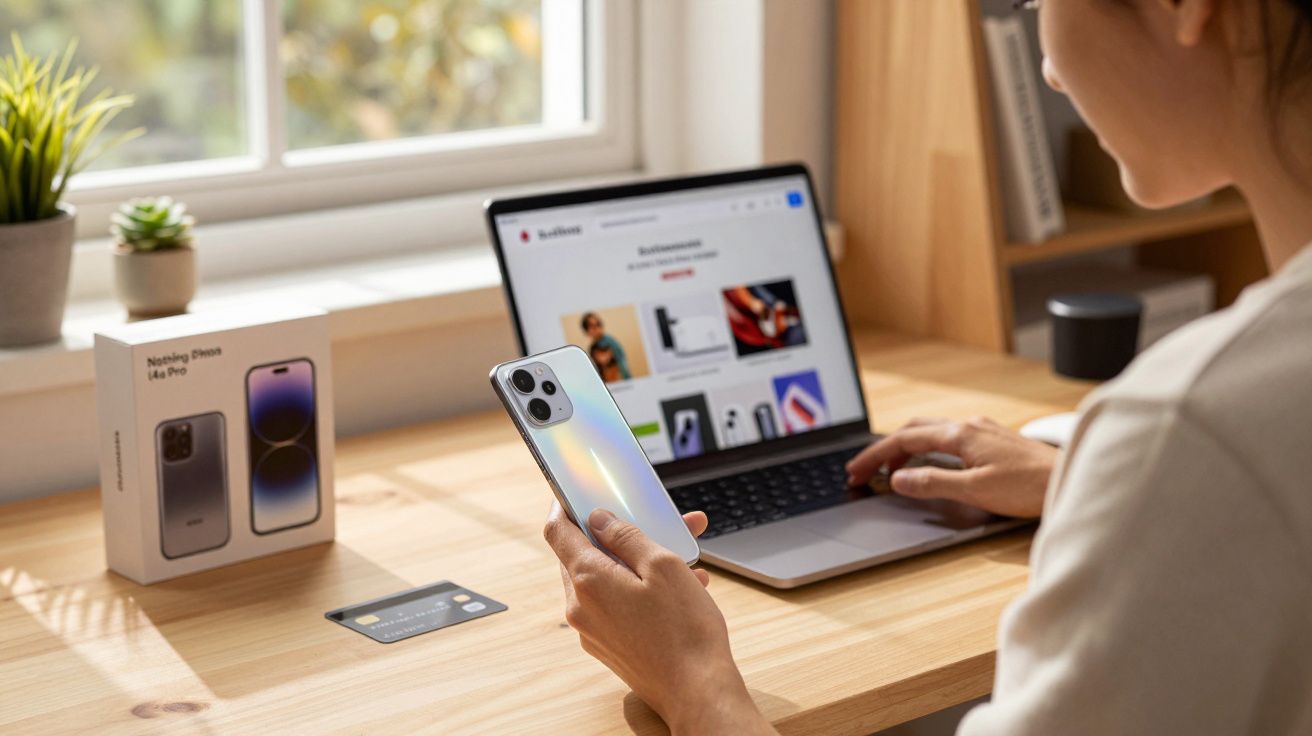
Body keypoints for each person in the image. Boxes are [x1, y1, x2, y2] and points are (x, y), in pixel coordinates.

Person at [543, 0, 1312, 733]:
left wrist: (693, 683)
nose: (1046, 70)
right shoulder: (1222, 427)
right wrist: (1083, 479)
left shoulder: (1193, 422)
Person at [581, 312, 631, 380]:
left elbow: (622, 363)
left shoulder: (610, 341)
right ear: (587, 331)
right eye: (592, 326)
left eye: (598, 324)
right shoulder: (592, 347)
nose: (597, 329)